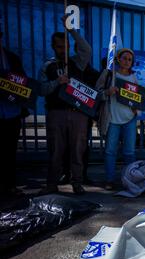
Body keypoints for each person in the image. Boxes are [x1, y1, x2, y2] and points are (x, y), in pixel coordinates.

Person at [38, 16, 92, 195]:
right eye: (60, 46)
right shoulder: (48, 65)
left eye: (66, 46)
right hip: (56, 113)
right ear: (53, 46)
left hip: (78, 113)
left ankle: (77, 183)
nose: (63, 49)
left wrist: (71, 30)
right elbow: (41, 90)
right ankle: (52, 184)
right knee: (56, 151)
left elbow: (86, 49)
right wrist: (57, 82)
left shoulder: (77, 62)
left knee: (78, 150)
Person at [96, 48, 139, 190]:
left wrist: (135, 109)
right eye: (124, 58)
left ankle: (129, 180)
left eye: (129, 59)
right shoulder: (109, 74)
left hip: (129, 119)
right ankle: (109, 180)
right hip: (112, 119)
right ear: (118, 59)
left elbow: (137, 98)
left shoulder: (133, 77)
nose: (127, 61)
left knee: (129, 152)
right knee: (110, 151)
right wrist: (107, 92)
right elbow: (96, 93)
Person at [0, 25, 28, 197]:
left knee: (10, 151)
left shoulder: (12, 59)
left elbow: (23, 83)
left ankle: (10, 185)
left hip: (11, 113)